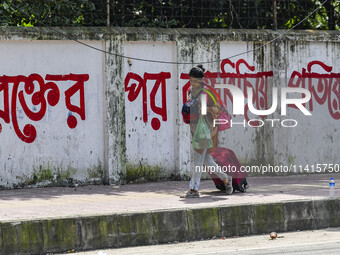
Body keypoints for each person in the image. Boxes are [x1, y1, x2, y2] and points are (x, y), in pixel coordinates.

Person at [182, 65, 233, 198]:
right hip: (195, 129)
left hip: (206, 130)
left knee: (197, 161)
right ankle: (226, 179)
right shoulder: (190, 90)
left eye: (195, 81)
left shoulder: (206, 92)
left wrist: (205, 109)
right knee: (206, 160)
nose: (192, 83)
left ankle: (193, 190)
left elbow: (215, 109)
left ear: (202, 80)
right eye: (191, 80)